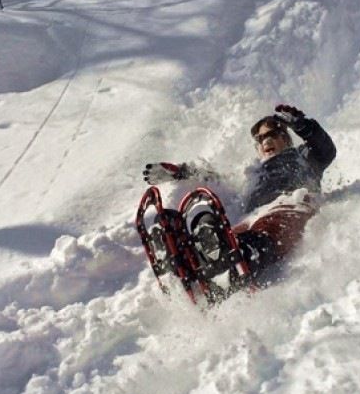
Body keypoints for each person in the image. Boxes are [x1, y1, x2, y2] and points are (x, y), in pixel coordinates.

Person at [143, 104, 336, 284]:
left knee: (264, 233)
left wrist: (302, 125)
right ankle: (183, 255)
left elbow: (326, 150)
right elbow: (219, 181)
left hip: (290, 206)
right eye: (260, 139)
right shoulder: (253, 173)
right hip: (253, 218)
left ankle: (238, 262)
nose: (266, 141)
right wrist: (182, 172)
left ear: (285, 138)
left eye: (272, 134)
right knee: (226, 234)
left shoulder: (302, 157)